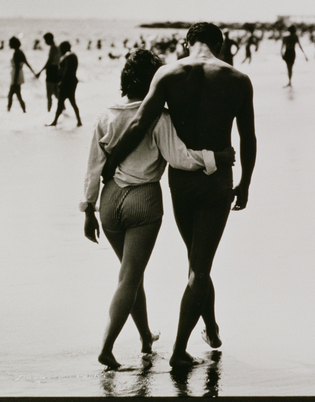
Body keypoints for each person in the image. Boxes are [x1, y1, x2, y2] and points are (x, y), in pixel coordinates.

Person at [102, 22, 257, 368]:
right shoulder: (238, 80)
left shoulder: (169, 74)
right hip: (217, 181)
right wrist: (245, 181)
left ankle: (211, 328)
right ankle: (179, 351)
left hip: (182, 181)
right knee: (199, 268)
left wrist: (110, 162)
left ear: (186, 42)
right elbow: (248, 136)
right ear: (220, 43)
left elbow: (140, 123)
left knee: (196, 263)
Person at [47, 41, 82, 127]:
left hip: (67, 82)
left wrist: (61, 82)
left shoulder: (68, 56)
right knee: (72, 101)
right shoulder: (73, 55)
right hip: (72, 81)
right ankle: (79, 121)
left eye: (61, 49)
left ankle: (55, 121)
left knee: (61, 102)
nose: (60, 51)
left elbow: (67, 71)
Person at [7, 37, 36, 113]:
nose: (9, 44)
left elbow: (16, 67)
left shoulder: (16, 53)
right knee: (17, 94)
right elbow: (26, 63)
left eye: (10, 43)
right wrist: (34, 72)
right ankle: (23, 110)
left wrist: (15, 80)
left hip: (16, 76)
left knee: (11, 95)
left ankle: (9, 111)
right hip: (19, 74)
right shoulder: (20, 52)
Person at [35, 33, 61, 112]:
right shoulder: (57, 48)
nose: (45, 42)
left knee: (49, 94)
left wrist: (40, 71)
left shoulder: (53, 48)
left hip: (51, 71)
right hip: (56, 71)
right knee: (56, 93)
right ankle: (62, 109)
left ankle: (49, 111)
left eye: (46, 40)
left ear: (50, 39)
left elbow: (49, 61)